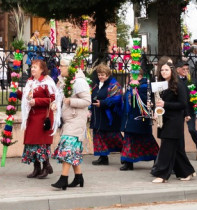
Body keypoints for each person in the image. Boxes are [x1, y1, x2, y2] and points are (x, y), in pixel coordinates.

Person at [151, 59, 196, 183]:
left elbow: (182, 104)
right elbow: (159, 102)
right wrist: (157, 110)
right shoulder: (162, 84)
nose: (164, 72)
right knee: (176, 150)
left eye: (166, 69)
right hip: (164, 120)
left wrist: (165, 104)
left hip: (174, 121)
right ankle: (187, 171)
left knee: (166, 148)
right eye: (162, 70)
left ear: (172, 70)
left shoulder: (178, 84)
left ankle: (162, 175)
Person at [52, 57, 90, 189]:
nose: (59, 68)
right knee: (71, 150)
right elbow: (61, 98)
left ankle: (63, 179)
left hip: (76, 120)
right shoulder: (63, 81)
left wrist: (71, 102)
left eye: (62, 65)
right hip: (68, 120)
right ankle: (79, 177)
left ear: (69, 67)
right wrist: (56, 104)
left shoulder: (79, 82)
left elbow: (87, 101)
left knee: (67, 148)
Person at [20, 57, 59, 179]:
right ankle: (36, 168)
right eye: (32, 67)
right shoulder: (30, 82)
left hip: (42, 117)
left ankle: (46, 166)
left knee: (41, 143)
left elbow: (52, 99)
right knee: (32, 143)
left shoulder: (47, 82)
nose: (32, 69)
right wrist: (17, 94)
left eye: (35, 67)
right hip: (32, 116)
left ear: (42, 69)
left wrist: (36, 101)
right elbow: (26, 98)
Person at [119, 76, 159, 170]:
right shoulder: (130, 85)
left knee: (147, 140)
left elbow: (147, 101)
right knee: (128, 139)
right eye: (130, 76)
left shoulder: (145, 86)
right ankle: (128, 162)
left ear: (140, 76)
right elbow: (125, 98)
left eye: (133, 76)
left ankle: (157, 158)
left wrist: (136, 93)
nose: (130, 77)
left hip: (140, 118)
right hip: (129, 118)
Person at [90, 64, 123, 165]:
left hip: (109, 117)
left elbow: (117, 98)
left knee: (114, 137)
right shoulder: (97, 84)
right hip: (97, 115)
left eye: (103, 75)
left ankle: (126, 154)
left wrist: (103, 103)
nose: (101, 77)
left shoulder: (114, 85)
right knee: (98, 135)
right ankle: (103, 157)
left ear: (108, 74)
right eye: (99, 74)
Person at [176, 59, 197, 161]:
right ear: (177, 70)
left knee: (192, 129)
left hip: (190, 108)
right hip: (178, 108)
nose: (185, 71)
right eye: (183, 69)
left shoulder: (193, 80)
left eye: (187, 69)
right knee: (178, 131)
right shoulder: (175, 80)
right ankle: (181, 153)